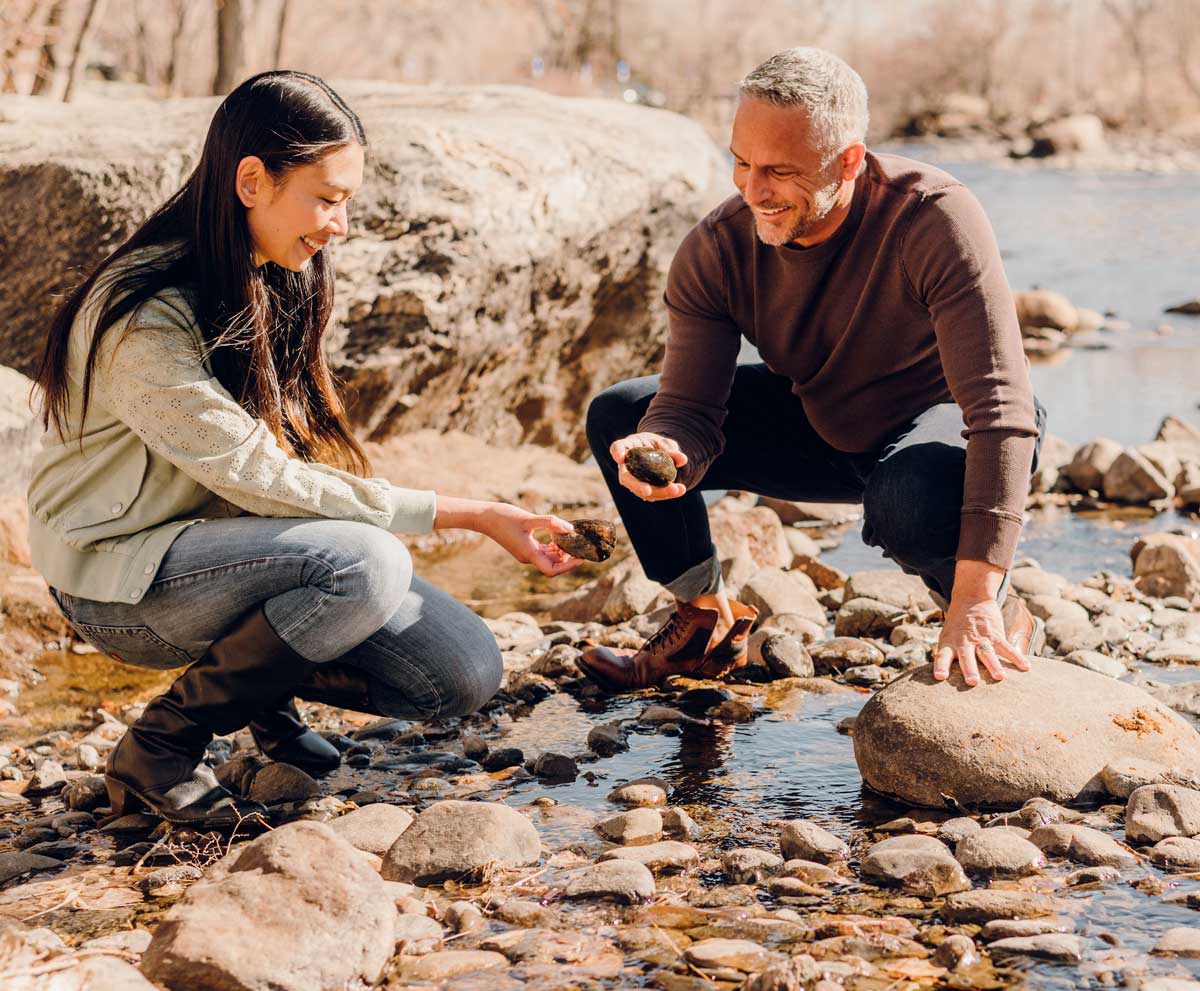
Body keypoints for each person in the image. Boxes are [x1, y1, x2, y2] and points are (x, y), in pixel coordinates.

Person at [27, 71, 580, 831]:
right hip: (118, 581)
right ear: (251, 181)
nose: (341, 225)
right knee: (365, 562)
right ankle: (161, 746)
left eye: (347, 200)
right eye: (326, 198)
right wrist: (472, 514)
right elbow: (256, 478)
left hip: (216, 556)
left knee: (461, 673)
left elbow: (273, 466)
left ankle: (264, 705)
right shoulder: (142, 314)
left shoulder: (275, 274)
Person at [580, 46, 1045, 693]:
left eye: (779, 170)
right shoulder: (717, 250)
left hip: (944, 430)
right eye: (740, 162)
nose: (752, 189)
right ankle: (703, 624)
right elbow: (690, 410)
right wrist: (664, 447)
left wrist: (975, 595)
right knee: (620, 415)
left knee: (906, 499)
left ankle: (998, 610)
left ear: (849, 160)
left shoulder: (933, 218)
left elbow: (1001, 409)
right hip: (825, 424)